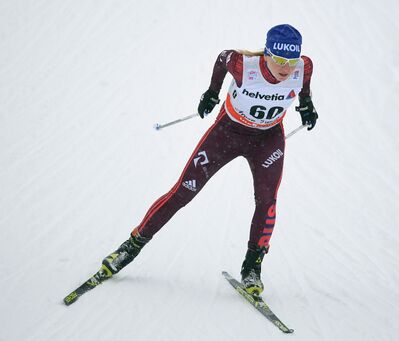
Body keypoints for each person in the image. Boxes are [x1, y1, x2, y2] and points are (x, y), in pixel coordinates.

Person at [100, 24, 317, 296]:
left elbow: (303, 85)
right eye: (280, 60)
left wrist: (306, 105)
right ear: (267, 55)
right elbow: (222, 57)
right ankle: (130, 247)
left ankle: (252, 269)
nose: (286, 68)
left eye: (292, 60)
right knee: (183, 192)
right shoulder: (244, 65)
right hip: (228, 134)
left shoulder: (303, 67)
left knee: (267, 201)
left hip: (267, 140)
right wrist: (212, 92)